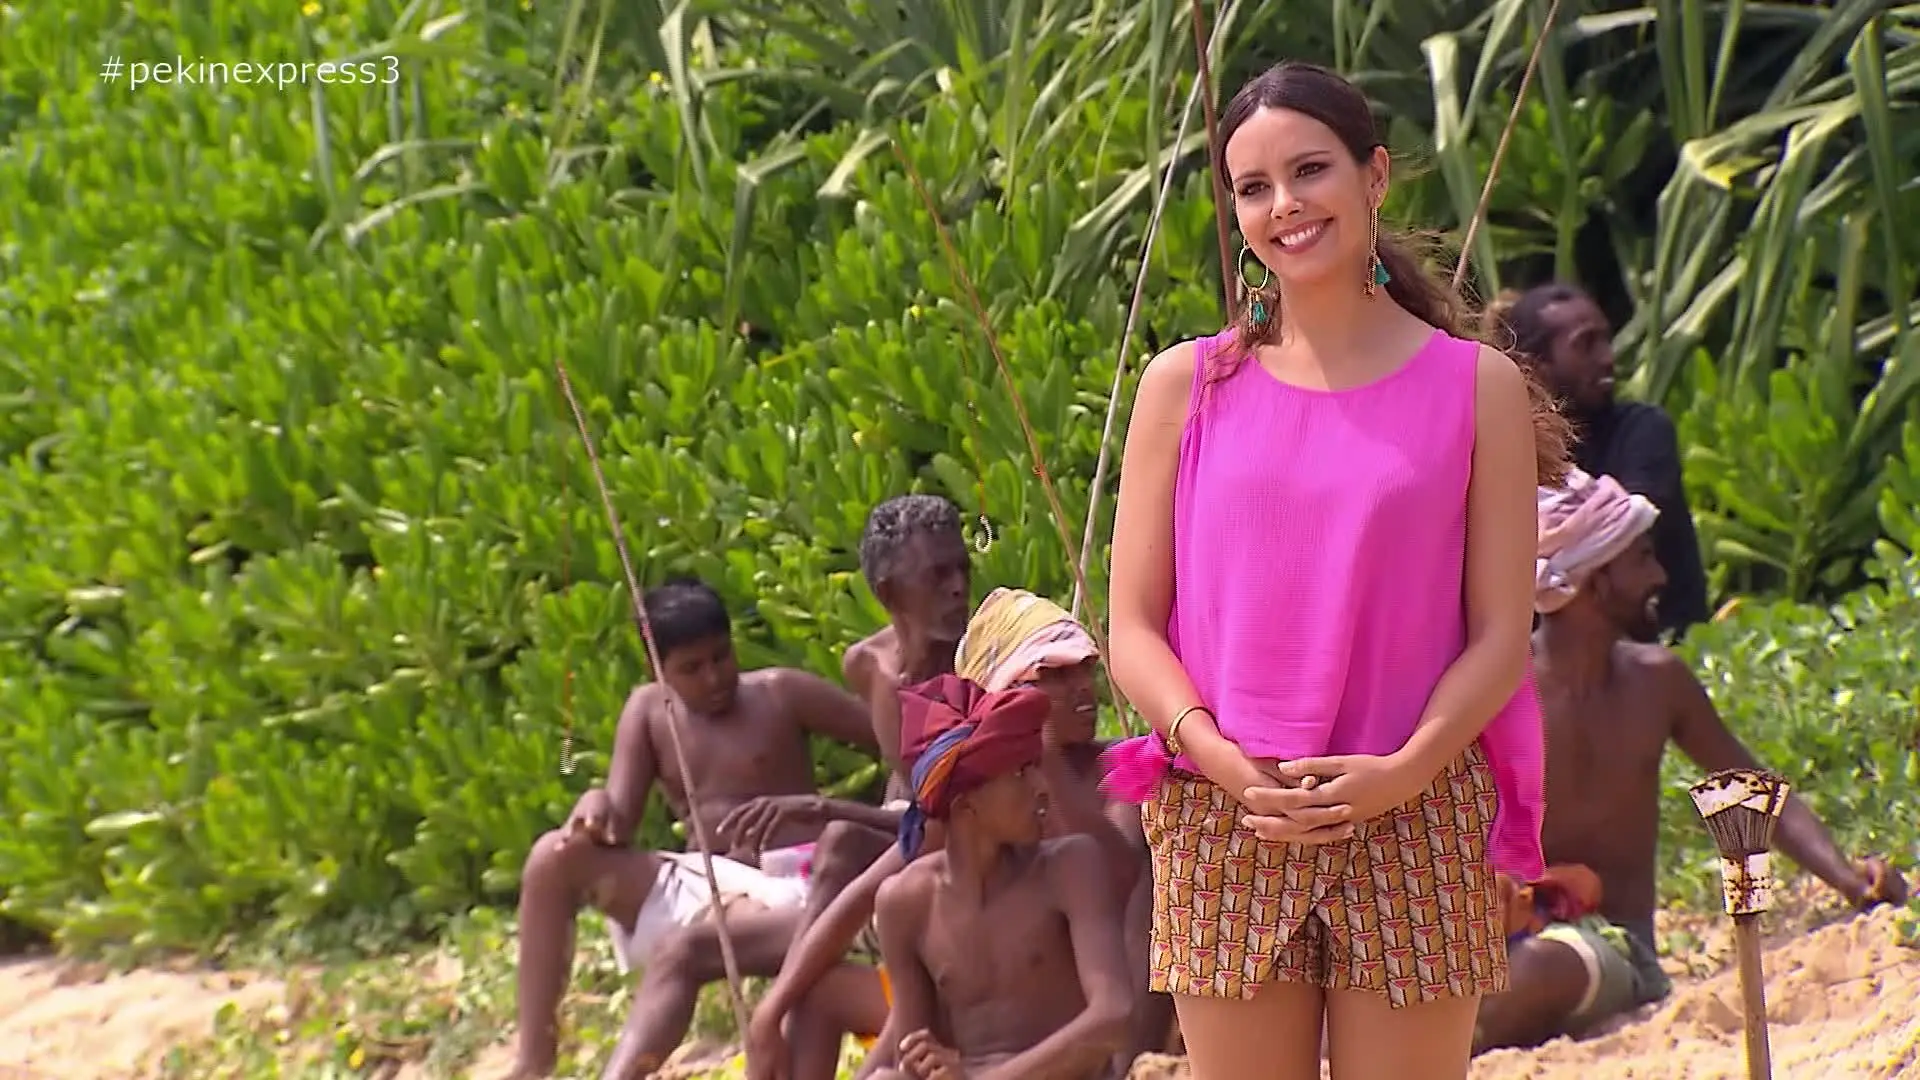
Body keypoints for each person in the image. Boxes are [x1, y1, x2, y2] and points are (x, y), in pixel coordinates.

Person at [1099, 60, 1574, 1080]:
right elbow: (1132, 625)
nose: (1285, 207)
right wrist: (1218, 759)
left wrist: (1401, 772)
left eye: (1310, 170)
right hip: (1227, 812)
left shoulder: (1475, 386)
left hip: (1417, 802)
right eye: (1254, 187)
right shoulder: (1185, 385)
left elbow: (1501, 634)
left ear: (1375, 177)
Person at [1471, 471, 1910, 1051]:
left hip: (1605, 944)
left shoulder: (1657, 683)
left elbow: (1753, 790)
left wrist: (1849, 879)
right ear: (1597, 581)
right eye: (1643, 559)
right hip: (1485, 937)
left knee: (1543, 970)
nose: (1660, 576)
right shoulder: (1494, 687)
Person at [745, 589, 1152, 1080]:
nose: (1081, 688)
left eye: (1084, 669)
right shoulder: (923, 878)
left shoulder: (1099, 809)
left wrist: (1035, 751)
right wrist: (770, 1014)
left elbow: (1123, 883)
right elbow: (868, 908)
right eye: (1052, 677)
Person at [508, 578, 895, 1080]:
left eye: (721, 657)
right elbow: (618, 822)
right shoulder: (647, 711)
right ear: (657, 669)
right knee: (551, 857)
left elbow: (892, 740)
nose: (713, 677)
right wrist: (594, 804)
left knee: (694, 943)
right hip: (704, 878)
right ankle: (532, 1060)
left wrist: (872, 810)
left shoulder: (779, 692)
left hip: (792, 884)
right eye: (691, 669)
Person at [864, 675, 1133, 1080]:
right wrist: (918, 1066)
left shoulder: (1070, 867)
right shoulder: (905, 904)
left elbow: (1113, 1015)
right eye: (1021, 773)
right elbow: (918, 1051)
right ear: (965, 804)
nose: (1042, 788)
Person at [1496, 282, 1709, 638]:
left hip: (1659, 642)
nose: (1607, 357)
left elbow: (1619, 534)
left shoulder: (1643, 429)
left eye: (1604, 339)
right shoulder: (1505, 449)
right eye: (1585, 344)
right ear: (1536, 366)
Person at [842, 494, 976, 781]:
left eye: (963, 569)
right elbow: (907, 772)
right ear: (888, 594)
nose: (959, 587)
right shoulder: (865, 665)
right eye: (937, 575)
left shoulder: (992, 665)